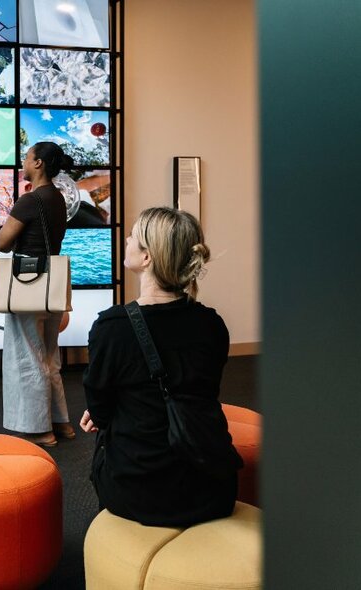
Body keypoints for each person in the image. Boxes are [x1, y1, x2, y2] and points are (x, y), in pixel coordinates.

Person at [80, 207, 240, 526]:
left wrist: (103, 414)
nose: (126, 239)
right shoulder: (212, 324)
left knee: (104, 439)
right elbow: (201, 389)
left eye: (133, 237)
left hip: (140, 492)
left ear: (147, 258)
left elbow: (100, 408)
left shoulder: (112, 327)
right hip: (212, 488)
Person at [0, 142, 76, 447]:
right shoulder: (57, 197)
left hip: (28, 283)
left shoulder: (29, 200)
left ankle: (41, 429)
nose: (24, 160)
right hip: (52, 284)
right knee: (49, 356)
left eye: (27, 157)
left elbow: (2, 243)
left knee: (27, 355)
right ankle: (62, 422)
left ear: (38, 163)